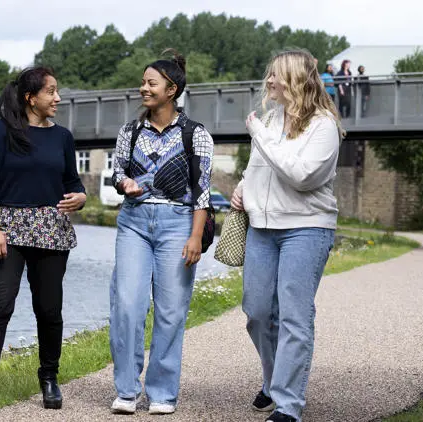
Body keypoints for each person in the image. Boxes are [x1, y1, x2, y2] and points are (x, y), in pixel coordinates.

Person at [0, 67, 87, 417]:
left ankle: (49, 378)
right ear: (30, 97)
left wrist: (80, 198)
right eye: (51, 91)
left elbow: (73, 182)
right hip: (8, 228)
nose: (58, 98)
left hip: (51, 229)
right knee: (0, 304)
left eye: (57, 91)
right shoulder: (2, 132)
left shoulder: (62, 137)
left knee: (49, 308)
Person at [231, 50, 342, 422]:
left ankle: (289, 404)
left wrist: (260, 134)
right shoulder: (271, 118)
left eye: (276, 76)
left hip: (306, 228)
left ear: (294, 79)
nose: (269, 82)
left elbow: (301, 176)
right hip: (263, 228)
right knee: (257, 313)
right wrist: (243, 186)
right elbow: (260, 168)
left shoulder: (323, 126)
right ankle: (273, 380)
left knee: (295, 316)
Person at [109, 49, 214, 415]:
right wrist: (126, 184)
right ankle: (126, 389)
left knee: (170, 312)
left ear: (171, 90)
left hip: (178, 224)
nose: (143, 88)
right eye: (143, 82)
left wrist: (196, 237)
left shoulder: (196, 134)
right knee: (127, 306)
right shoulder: (130, 130)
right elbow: (117, 173)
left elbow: (202, 192)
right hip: (134, 222)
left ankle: (162, 393)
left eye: (150, 83)